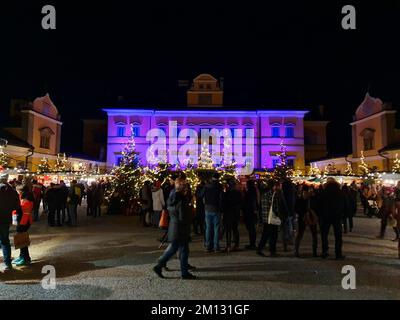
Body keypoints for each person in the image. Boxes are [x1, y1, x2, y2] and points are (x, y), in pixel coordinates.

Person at [153, 177, 196, 280]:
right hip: (181, 229)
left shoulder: (172, 196)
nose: (186, 188)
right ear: (182, 187)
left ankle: (160, 265)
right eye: (185, 186)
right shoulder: (181, 200)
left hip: (174, 226)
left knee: (174, 248)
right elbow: (183, 217)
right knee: (183, 250)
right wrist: (191, 210)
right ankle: (183, 273)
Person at [257, 181, 288, 257]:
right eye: (279, 186)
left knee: (266, 234)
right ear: (275, 186)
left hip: (266, 218)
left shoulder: (265, 194)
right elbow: (276, 208)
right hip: (271, 218)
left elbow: (262, 207)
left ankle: (261, 249)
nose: (280, 188)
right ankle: (271, 251)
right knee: (273, 235)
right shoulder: (273, 195)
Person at [0, 173, 23, 271]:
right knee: (5, 241)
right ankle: (8, 264)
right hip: (5, 219)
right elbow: (17, 206)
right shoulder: (13, 192)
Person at [320, 178, 346, 260]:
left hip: (325, 216)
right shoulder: (340, 193)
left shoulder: (323, 193)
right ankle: (338, 253)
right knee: (338, 236)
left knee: (324, 235)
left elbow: (318, 204)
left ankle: (324, 251)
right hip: (337, 216)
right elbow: (345, 204)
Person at [13, 184, 34, 266]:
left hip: (24, 222)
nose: (17, 192)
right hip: (23, 221)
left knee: (22, 241)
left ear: (21, 191)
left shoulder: (26, 200)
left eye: (18, 191)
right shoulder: (25, 198)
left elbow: (26, 213)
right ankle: (22, 256)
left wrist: (21, 224)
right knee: (21, 240)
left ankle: (25, 258)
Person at [294, 185, 318, 257]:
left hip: (310, 218)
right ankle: (296, 251)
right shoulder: (303, 199)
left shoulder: (312, 199)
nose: (307, 193)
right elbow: (296, 209)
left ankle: (314, 251)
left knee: (313, 234)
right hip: (303, 218)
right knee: (300, 234)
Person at [202, 173, 224, 253]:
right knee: (216, 228)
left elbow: (200, 194)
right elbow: (221, 198)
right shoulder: (219, 186)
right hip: (216, 208)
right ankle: (216, 246)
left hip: (207, 208)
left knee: (208, 228)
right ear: (218, 178)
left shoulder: (207, 186)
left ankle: (208, 246)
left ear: (212, 178)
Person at [222, 180, 242, 253]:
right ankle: (236, 245)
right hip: (235, 213)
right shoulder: (238, 193)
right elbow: (240, 203)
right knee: (235, 229)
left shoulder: (227, 193)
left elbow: (224, 203)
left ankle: (228, 246)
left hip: (228, 213)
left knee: (228, 230)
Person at [243, 180, 259, 250]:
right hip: (251, 212)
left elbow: (250, 202)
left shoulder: (250, 192)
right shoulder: (254, 191)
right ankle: (252, 243)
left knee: (251, 228)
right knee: (251, 228)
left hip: (249, 212)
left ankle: (252, 244)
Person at [281, 178, 295, 251]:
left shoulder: (282, 194)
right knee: (289, 229)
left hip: (284, 213)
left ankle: (285, 245)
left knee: (285, 229)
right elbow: (292, 204)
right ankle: (287, 244)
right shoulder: (291, 194)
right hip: (289, 213)